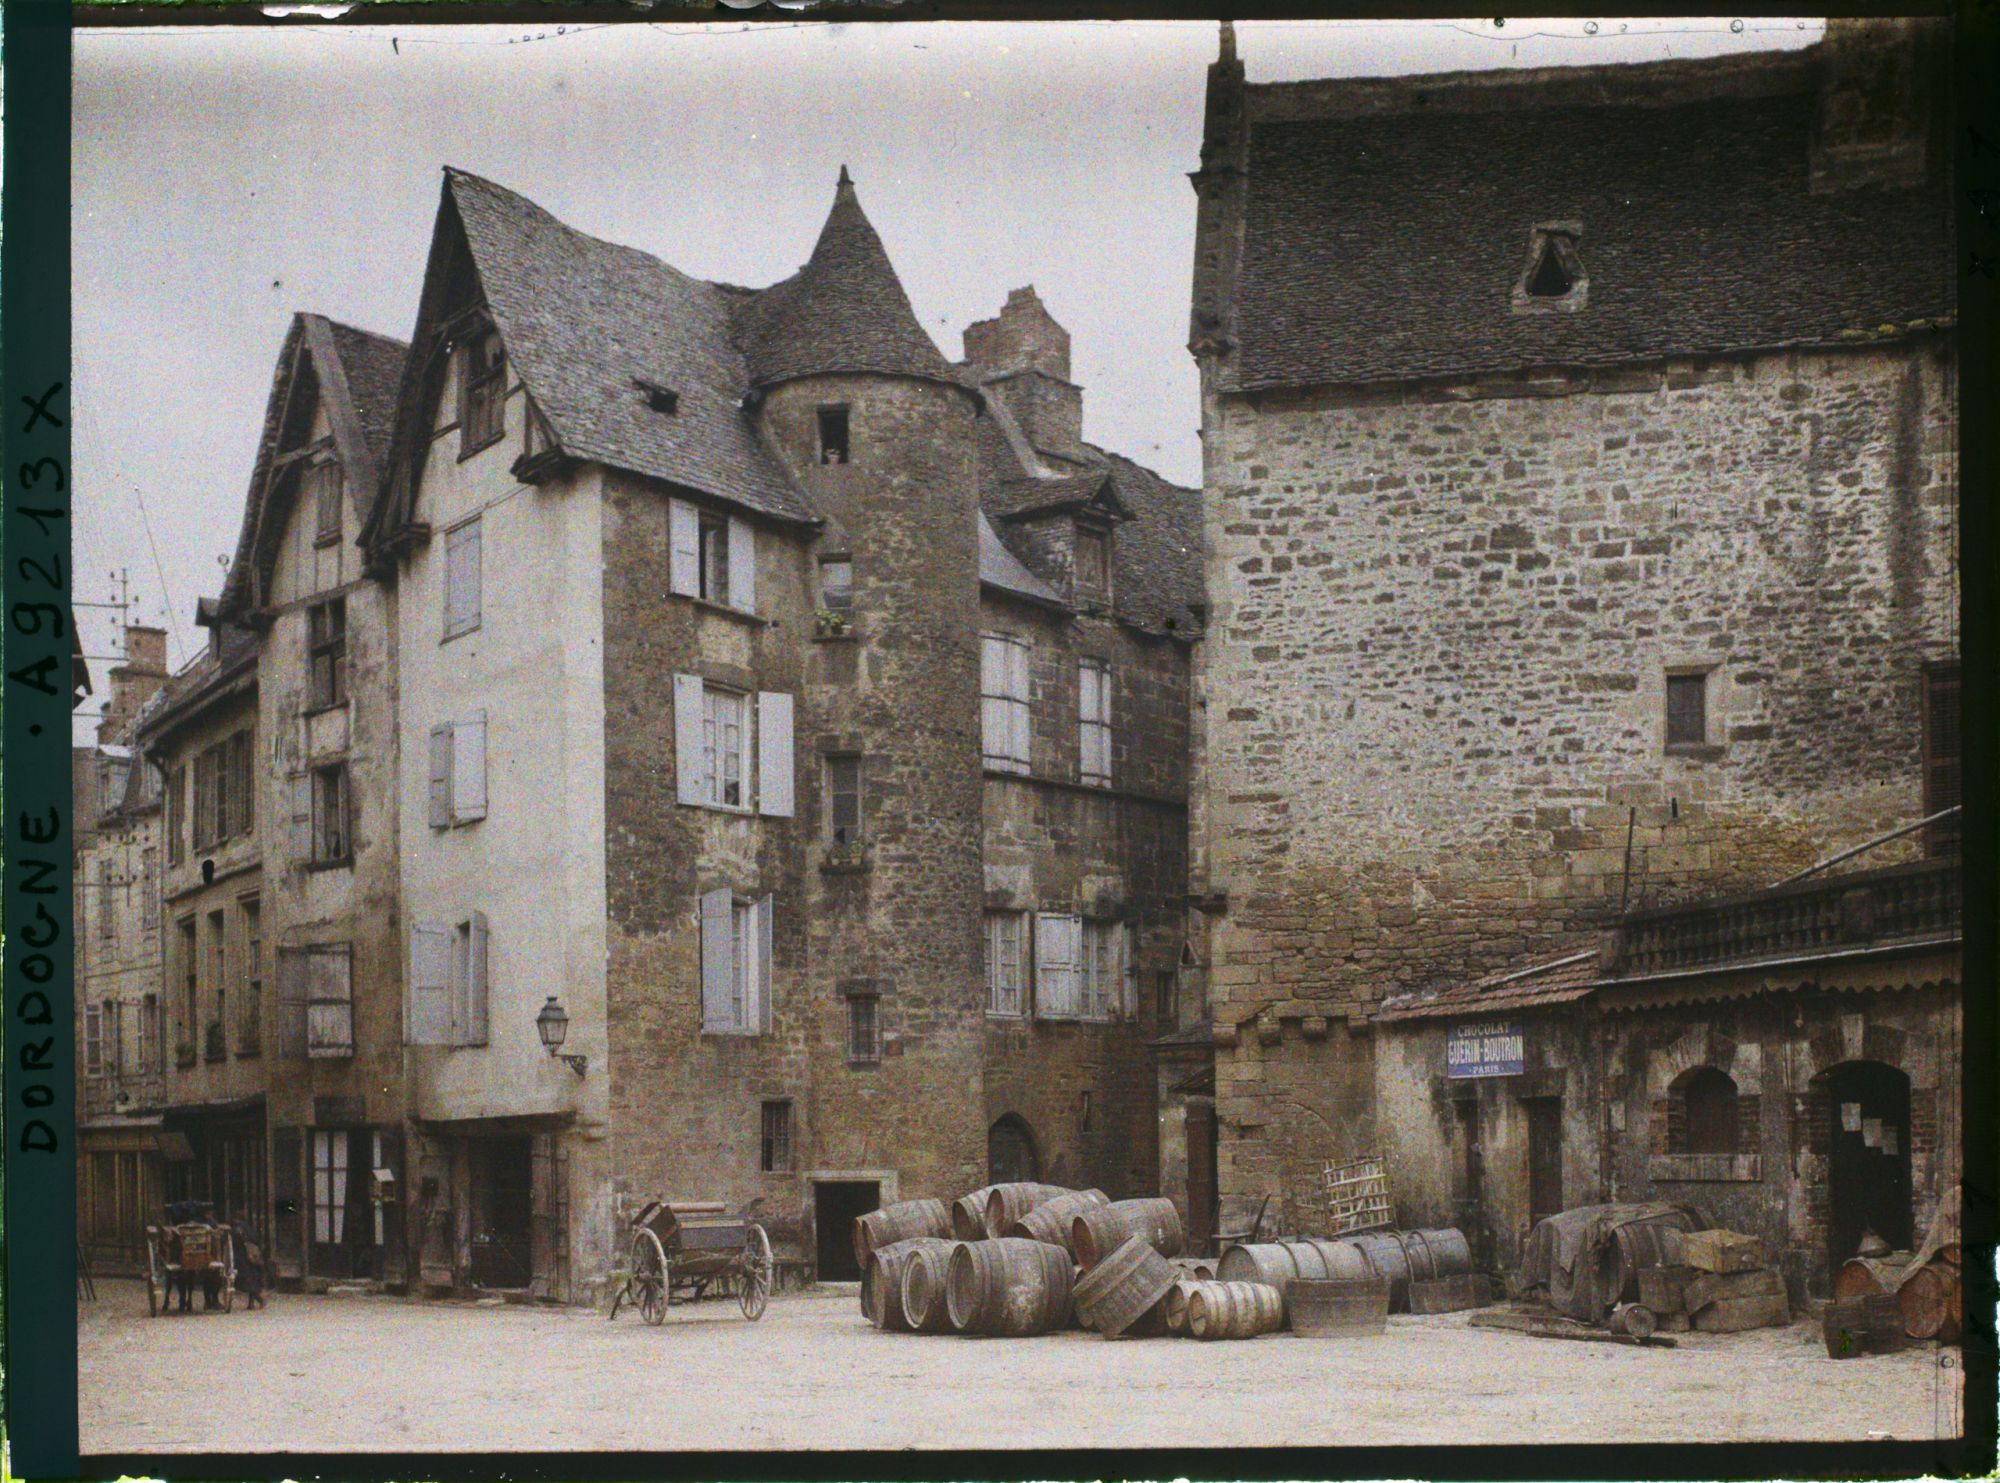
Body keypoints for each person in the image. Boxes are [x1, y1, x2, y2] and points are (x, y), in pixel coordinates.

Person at [230, 1211, 268, 1310]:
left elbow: (233, 1243)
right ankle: (251, 1303)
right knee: (252, 1279)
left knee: (246, 1280)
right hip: (252, 1256)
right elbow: (256, 1240)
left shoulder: (235, 1229)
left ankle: (259, 1299)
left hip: (241, 1257)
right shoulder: (249, 1228)